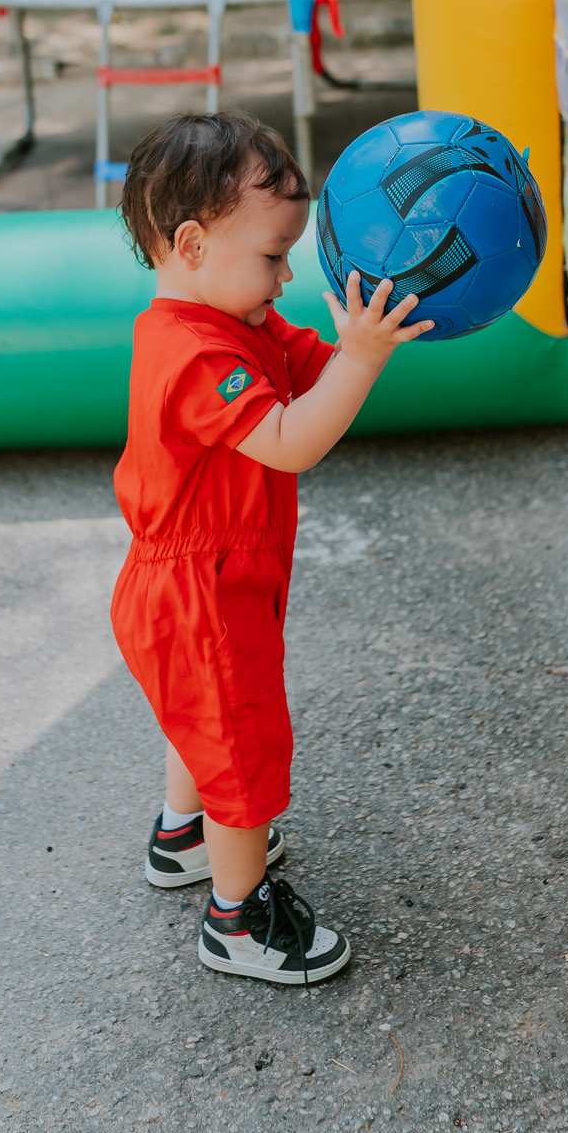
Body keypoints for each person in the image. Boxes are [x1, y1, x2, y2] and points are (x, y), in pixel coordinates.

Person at [110, 110, 432, 986]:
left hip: (201, 581)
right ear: (191, 244)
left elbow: (317, 365)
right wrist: (363, 361)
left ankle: (185, 839)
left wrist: (368, 336)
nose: (285, 277)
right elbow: (292, 438)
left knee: (205, 724)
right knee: (244, 750)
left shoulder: (237, 320)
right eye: (271, 256)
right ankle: (238, 923)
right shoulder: (194, 355)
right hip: (199, 591)